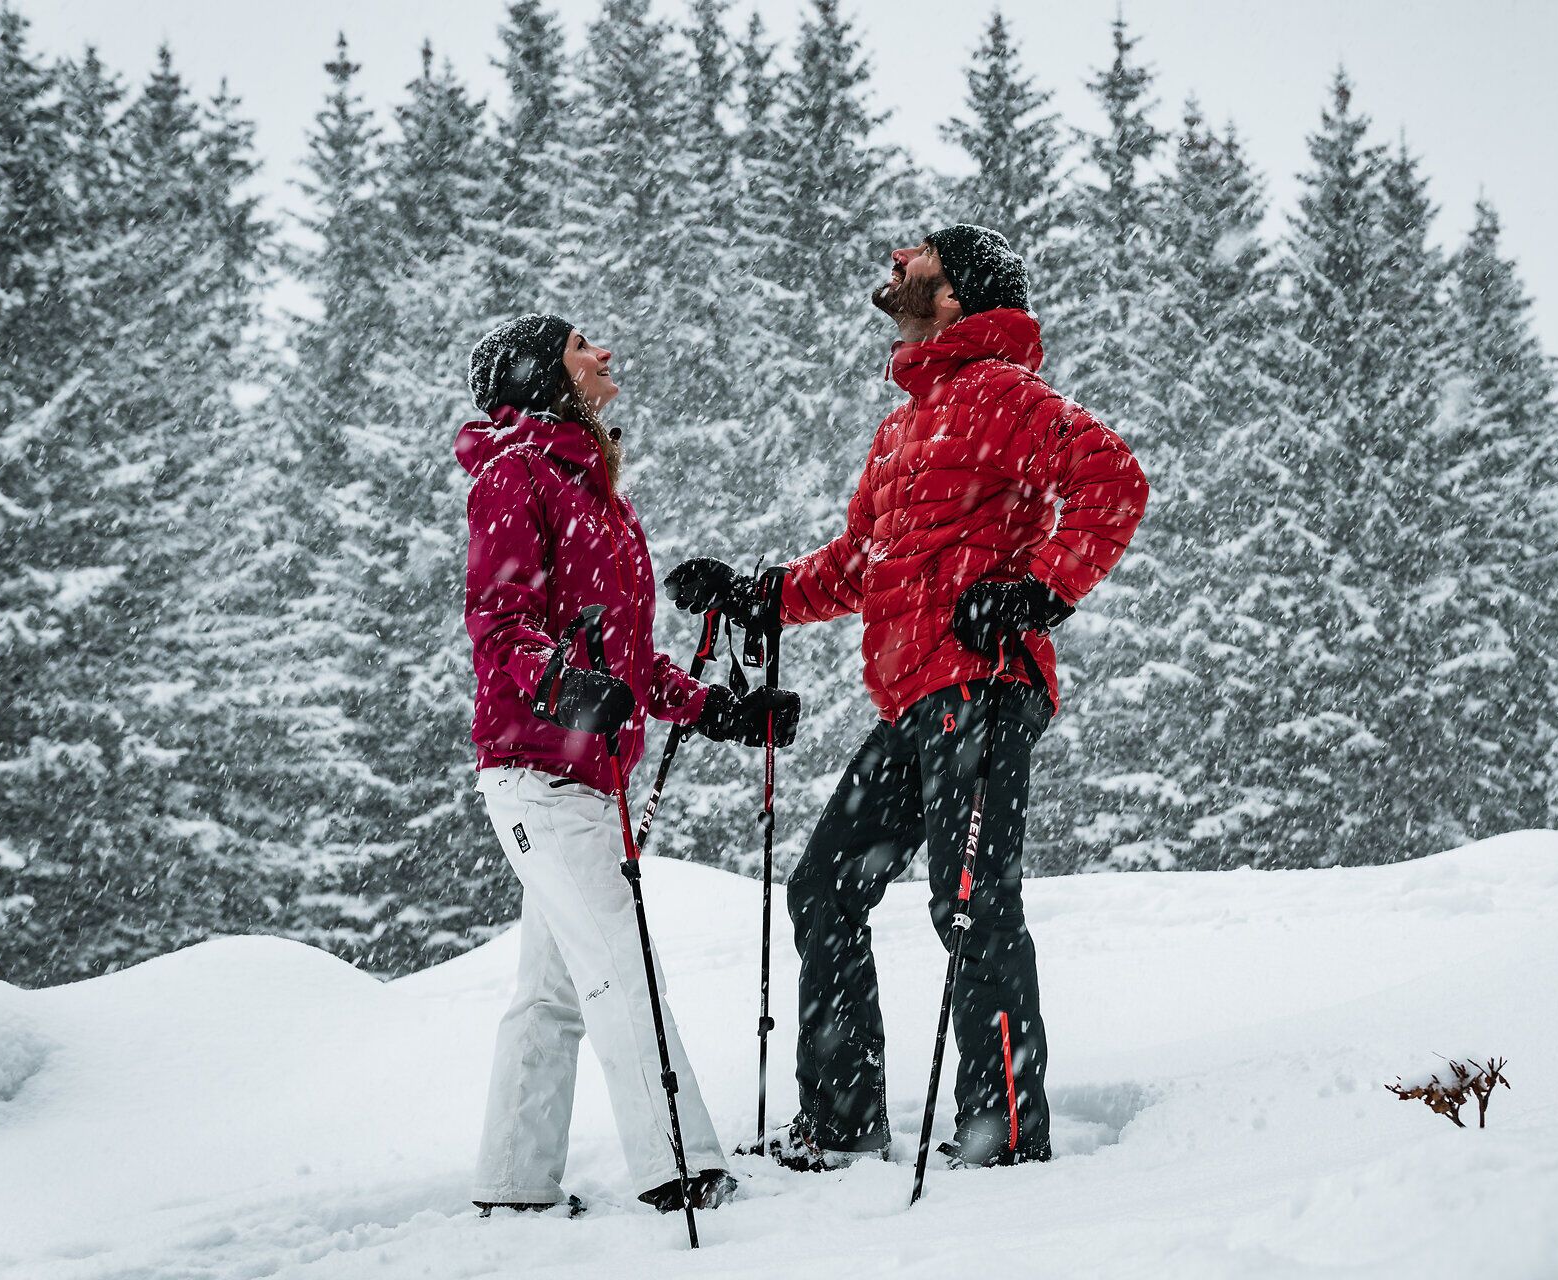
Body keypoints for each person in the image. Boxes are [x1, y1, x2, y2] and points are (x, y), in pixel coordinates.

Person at [666, 226, 1148, 1172]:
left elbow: (1112, 478)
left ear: (958, 293)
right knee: (823, 889)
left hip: (983, 687)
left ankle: (1004, 1133)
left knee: (969, 904)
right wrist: (758, 593)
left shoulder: (1004, 395)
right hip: (914, 699)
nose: (895, 268)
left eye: (914, 261)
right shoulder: (905, 426)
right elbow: (860, 564)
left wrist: (1040, 589)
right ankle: (841, 1122)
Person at [458, 314, 799, 1217]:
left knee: (553, 992)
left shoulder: (595, 490)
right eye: (581, 346)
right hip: (536, 773)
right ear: (540, 374)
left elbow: (631, 661)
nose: (605, 353)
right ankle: (680, 1167)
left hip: (586, 772)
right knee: (619, 961)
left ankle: (514, 1186)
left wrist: (718, 708)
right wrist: (563, 688)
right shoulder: (514, 475)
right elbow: (500, 630)